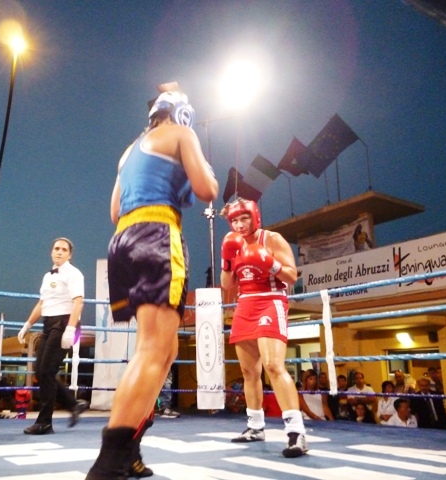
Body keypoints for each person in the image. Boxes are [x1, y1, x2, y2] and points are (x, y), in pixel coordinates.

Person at [86, 84, 218, 480]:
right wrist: (200, 165)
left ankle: (129, 452)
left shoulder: (129, 150)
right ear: (181, 115)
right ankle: (107, 463)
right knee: (152, 349)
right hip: (157, 234)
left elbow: (114, 211)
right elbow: (207, 189)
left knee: (166, 350)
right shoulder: (182, 134)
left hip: (123, 240)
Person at [219, 197, 308, 458]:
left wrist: (268, 262)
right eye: (234, 220)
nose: (239, 225)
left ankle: (296, 432)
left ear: (254, 216)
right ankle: (255, 427)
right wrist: (227, 258)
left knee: (273, 365)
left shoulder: (273, 239)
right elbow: (227, 284)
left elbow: (291, 276)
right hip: (244, 305)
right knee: (248, 371)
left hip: (271, 302)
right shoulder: (232, 242)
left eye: (243, 218)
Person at [18, 238, 88, 435]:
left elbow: (79, 303)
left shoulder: (74, 274)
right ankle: (73, 404)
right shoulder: (47, 276)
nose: (59, 252)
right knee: (40, 372)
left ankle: (45, 422)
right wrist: (28, 324)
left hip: (65, 322)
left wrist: (70, 329)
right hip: (48, 324)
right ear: (51, 252)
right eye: (56, 248)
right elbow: (42, 303)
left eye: (64, 249)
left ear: (69, 254)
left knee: (47, 370)